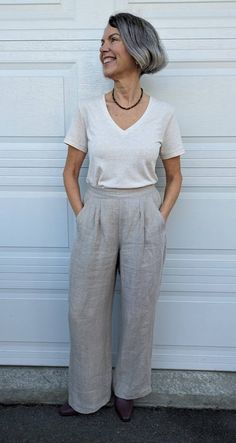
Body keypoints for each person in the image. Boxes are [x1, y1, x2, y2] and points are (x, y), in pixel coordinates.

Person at [59, 12, 185, 422]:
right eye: (101, 42)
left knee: (139, 307)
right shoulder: (88, 110)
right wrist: (83, 215)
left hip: (143, 213)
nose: (103, 49)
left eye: (112, 40)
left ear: (137, 48)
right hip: (97, 209)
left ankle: (128, 388)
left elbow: (175, 177)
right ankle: (86, 392)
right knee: (85, 308)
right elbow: (70, 171)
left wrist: (158, 216)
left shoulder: (163, 114)